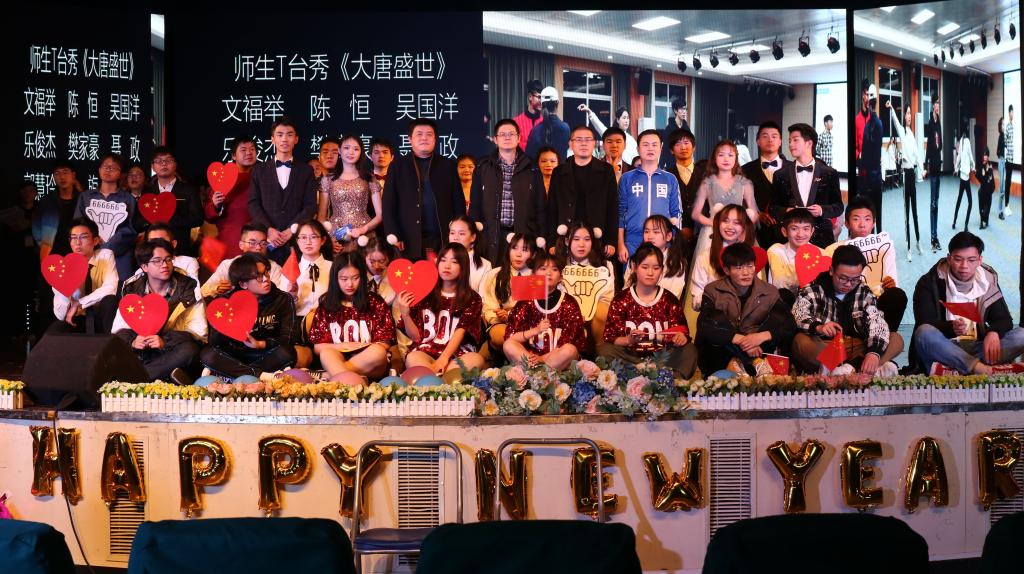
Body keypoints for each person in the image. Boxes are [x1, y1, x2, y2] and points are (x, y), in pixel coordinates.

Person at [911, 231, 1024, 374]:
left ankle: (958, 370)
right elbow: (924, 322)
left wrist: (993, 332)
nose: (964, 266)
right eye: (958, 259)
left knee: (1021, 335)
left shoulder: (987, 280)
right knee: (924, 333)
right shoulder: (929, 282)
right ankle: (981, 369)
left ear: (979, 260)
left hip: (979, 349)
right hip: (944, 350)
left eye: (971, 260)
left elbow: (1004, 319)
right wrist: (951, 327)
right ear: (949, 258)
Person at [791, 245, 902, 376]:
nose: (848, 284)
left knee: (896, 339)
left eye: (855, 279)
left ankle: (860, 367)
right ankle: (862, 369)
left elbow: (876, 322)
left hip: (858, 347)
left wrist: (873, 353)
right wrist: (819, 327)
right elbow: (799, 314)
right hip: (827, 347)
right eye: (843, 278)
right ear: (831, 271)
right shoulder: (814, 289)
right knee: (800, 341)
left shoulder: (864, 292)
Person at [112, 239, 206, 384]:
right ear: (144, 267)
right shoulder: (132, 289)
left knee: (190, 350)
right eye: (157, 261)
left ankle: (136, 379)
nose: (165, 265)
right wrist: (133, 341)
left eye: (168, 259)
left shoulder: (188, 288)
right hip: (141, 349)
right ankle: (150, 376)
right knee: (114, 346)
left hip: (170, 350)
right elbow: (118, 329)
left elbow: (199, 333)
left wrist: (165, 342)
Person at [697, 243, 795, 377]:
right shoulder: (713, 290)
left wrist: (759, 337)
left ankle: (745, 363)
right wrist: (742, 341)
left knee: (779, 319)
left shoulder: (769, 291)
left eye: (750, 266)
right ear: (726, 270)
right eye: (739, 267)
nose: (746, 273)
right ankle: (747, 362)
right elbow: (705, 324)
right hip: (723, 351)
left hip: (760, 349)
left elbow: (788, 323)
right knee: (713, 321)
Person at [600, 243, 697, 379]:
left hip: (662, 359)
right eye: (645, 267)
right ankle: (636, 375)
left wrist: (680, 338)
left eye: (656, 268)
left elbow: (682, 333)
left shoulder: (670, 300)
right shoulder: (620, 300)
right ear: (635, 267)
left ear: (662, 270)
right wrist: (628, 340)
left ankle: (670, 380)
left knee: (689, 350)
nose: (650, 273)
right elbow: (612, 338)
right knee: (604, 350)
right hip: (632, 359)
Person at [199, 253, 296, 379]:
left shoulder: (283, 299)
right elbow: (215, 343)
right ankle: (260, 376)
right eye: (258, 277)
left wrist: (260, 344)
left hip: (265, 354)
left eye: (266, 273)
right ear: (243, 284)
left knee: (288, 352)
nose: (266, 279)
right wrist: (230, 322)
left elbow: (287, 338)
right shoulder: (227, 302)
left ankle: (234, 376)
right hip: (234, 356)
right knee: (208, 355)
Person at [382, 118, 465, 261]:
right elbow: (389, 204)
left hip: (443, 237)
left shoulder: (448, 165)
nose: (424, 138)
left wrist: (459, 232)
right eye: (419, 134)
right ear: (410, 139)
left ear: (435, 139)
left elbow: (458, 201)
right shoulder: (397, 166)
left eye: (429, 134)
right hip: (408, 238)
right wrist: (393, 233)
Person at [397, 243, 485, 375]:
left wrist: (443, 359)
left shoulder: (472, 298)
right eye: (443, 260)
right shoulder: (424, 292)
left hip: (458, 354)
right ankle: (436, 380)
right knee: (413, 358)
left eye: (454, 262)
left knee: (476, 359)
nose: (447, 266)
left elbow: (460, 332)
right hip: (426, 350)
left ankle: (443, 379)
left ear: (463, 267)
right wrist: (405, 314)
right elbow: (416, 337)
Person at [308, 252, 395, 382]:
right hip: (337, 359)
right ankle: (354, 380)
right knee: (326, 353)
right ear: (335, 279)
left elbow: (385, 343)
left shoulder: (375, 302)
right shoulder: (326, 305)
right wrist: (346, 345)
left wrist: (359, 347)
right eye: (344, 279)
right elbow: (318, 347)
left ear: (362, 277)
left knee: (378, 352)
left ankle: (329, 376)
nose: (350, 284)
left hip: (369, 363)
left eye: (355, 278)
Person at [825, 197, 907, 333]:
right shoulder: (833, 249)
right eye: (856, 219)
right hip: (848, 304)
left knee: (897, 295)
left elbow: (891, 279)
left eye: (867, 219)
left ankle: (884, 337)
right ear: (847, 223)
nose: (862, 224)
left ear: (874, 223)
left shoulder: (884, 246)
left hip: (877, 301)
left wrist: (890, 285)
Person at [470, 118, 545, 262]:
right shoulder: (483, 167)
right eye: (502, 134)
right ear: (495, 139)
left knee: (521, 274)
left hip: (523, 235)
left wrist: (540, 237)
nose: (507, 137)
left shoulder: (532, 168)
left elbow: (540, 206)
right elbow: (475, 206)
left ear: (519, 138)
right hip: (491, 235)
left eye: (511, 134)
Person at [247, 117, 318, 265]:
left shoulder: (306, 171)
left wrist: (292, 229)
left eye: (289, 134)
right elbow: (253, 203)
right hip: (267, 242)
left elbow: (310, 206)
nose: (284, 139)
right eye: (279, 135)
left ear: (296, 139)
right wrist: (269, 229)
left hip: (296, 241)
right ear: (272, 139)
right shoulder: (259, 170)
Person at [503, 252, 585, 370]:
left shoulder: (569, 303)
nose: (548, 273)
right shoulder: (525, 302)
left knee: (570, 350)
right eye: (543, 269)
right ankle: (537, 372)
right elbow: (512, 337)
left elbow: (571, 342)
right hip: (530, 358)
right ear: (533, 274)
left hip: (556, 360)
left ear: (561, 277)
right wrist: (536, 330)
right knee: (508, 345)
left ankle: (537, 372)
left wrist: (541, 359)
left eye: (554, 269)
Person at [546, 125, 619, 257]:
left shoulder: (606, 171)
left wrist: (611, 241)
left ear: (594, 143)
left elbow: (612, 208)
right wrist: (551, 242)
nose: (583, 143)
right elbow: (552, 209)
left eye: (588, 140)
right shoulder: (559, 172)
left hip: (597, 237)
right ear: (570, 144)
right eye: (579, 140)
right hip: (566, 237)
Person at [770, 123, 844, 249]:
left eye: (795, 140)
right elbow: (773, 208)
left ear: (809, 143)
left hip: (821, 239)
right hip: (790, 239)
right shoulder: (780, 174)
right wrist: (786, 211)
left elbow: (838, 207)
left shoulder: (829, 173)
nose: (790, 144)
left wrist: (821, 210)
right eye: (789, 141)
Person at [692, 140, 758, 271]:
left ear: (736, 159)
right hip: (713, 231)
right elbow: (695, 213)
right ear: (714, 158)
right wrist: (715, 223)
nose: (726, 159)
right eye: (721, 155)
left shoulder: (744, 183)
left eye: (730, 155)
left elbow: (754, 212)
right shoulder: (707, 183)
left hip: (739, 231)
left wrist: (744, 226)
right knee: (711, 267)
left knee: (741, 266)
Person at [73, 153, 138, 282]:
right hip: (89, 252)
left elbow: (129, 229)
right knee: (89, 285)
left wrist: (108, 246)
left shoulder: (128, 199)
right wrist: (93, 240)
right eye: (105, 166)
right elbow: (78, 223)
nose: (108, 170)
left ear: (121, 173)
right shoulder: (86, 196)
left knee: (118, 288)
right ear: (99, 170)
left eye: (113, 167)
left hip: (119, 256)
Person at [618, 129, 681, 261]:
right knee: (633, 274)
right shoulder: (627, 178)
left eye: (654, 144)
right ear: (638, 149)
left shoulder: (670, 179)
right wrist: (620, 244)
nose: (650, 148)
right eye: (645, 144)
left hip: (663, 243)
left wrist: (673, 243)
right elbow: (620, 213)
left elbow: (676, 213)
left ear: (661, 148)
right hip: (632, 243)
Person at [47, 218, 118, 334]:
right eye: (73, 238)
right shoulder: (62, 267)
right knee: (54, 331)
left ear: (95, 241)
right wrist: (65, 289)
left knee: (110, 300)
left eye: (83, 237)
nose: (77, 243)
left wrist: (79, 303)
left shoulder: (105, 256)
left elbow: (111, 289)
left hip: (101, 316)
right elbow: (60, 315)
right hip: (76, 318)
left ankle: (110, 344)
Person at [317, 135, 382, 252]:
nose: (351, 152)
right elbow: (321, 217)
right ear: (339, 150)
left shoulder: (369, 178)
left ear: (361, 152)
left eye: (356, 149)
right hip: (336, 238)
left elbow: (380, 215)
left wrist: (363, 229)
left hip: (364, 237)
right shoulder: (328, 179)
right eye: (346, 148)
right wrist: (330, 237)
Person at [480, 233, 537, 361]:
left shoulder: (537, 277)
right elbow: (489, 308)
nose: (518, 254)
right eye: (514, 248)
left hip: (532, 328)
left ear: (533, 254)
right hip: (502, 325)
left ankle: (530, 364)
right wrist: (501, 316)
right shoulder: (495, 274)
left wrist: (511, 315)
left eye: (525, 250)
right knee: (503, 335)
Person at [689, 204, 756, 311]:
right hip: (714, 316)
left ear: (744, 228)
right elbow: (696, 300)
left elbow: (757, 294)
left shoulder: (751, 255)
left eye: (736, 223)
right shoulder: (705, 256)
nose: (730, 226)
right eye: (726, 221)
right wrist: (719, 300)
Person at [139, 147, 204, 256]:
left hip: (180, 248)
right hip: (151, 251)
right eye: (159, 161)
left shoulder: (188, 189)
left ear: (175, 165)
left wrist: (170, 218)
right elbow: (139, 221)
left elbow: (198, 219)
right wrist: (149, 219)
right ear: (153, 166)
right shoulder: (147, 191)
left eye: (168, 160)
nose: (164, 164)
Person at [557, 222, 615, 343]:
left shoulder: (605, 266)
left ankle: (601, 350)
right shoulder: (558, 265)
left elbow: (607, 299)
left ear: (592, 242)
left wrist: (589, 310)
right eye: (576, 239)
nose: (581, 244)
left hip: (595, 320)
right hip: (564, 317)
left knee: (602, 310)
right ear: (567, 241)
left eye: (587, 239)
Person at [201, 223, 285, 299]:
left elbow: (280, 296)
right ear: (241, 245)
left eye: (263, 243)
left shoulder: (274, 267)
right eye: (252, 243)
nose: (258, 247)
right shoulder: (227, 265)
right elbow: (202, 292)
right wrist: (216, 289)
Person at [205, 136, 257, 259]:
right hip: (230, 240)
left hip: (257, 239)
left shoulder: (263, 177)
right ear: (233, 155)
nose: (248, 153)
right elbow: (208, 214)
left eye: (252, 149)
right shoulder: (223, 178)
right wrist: (215, 206)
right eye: (243, 150)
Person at [742, 121, 789, 247]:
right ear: (757, 141)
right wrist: (757, 215)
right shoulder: (745, 170)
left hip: (788, 233)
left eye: (774, 136)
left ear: (780, 141)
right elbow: (740, 200)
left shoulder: (792, 168)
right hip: (756, 233)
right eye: (765, 136)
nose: (770, 140)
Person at [885, 100, 923, 258]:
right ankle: (908, 249)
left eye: (910, 114)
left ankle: (918, 242)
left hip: (912, 175)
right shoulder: (902, 131)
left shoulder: (912, 134)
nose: (909, 116)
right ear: (904, 116)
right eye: (907, 113)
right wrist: (891, 108)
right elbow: (894, 120)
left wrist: (922, 168)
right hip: (905, 176)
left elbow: (917, 154)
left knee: (915, 211)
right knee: (907, 213)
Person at [622, 215, 688, 299]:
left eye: (656, 232)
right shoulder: (635, 259)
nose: (650, 236)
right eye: (646, 232)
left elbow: (674, 294)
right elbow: (627, 289)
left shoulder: (676, 262)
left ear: (668, 236)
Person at [665, 128, 702, 260]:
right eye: (678, 144)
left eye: (686, 143)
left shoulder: (705, 174)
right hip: (674, 237)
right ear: (671, 150)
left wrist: (696, 230)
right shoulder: (666, 175)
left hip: (702, 235)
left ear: (694, 147)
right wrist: (679, 229)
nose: (683, 147)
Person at [767, 208, 815, 305]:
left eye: (806, 229)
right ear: (784, 231)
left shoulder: (820, 253)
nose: (800, 234)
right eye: (794, 229)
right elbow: (778, 284)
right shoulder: (776, 251)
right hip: (782, 304)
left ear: (812, 231)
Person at [33, 160, 80, 261]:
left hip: (79, 253)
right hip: (52, 254)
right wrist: (43, 245)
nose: (62, 177)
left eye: (65, 172)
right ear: (53, 177)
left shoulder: (82, 199)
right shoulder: (46, 201)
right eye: (57, 173)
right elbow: (36, 226)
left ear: (73, 175)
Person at [857, 81, 884, 232]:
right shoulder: (876, 124)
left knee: (871, 215)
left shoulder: (871, 125)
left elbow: (869, 153)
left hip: (868, 178)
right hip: (872, 177)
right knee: (875, 215)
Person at [132, 223, 200, 282]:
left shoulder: (188, 263)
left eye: (161, 242)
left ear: (173, 244)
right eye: (152, 243)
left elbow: (194, 291)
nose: (156, 247)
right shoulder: (140, 272)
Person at [447, 215, 491, 291]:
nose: (455, 238)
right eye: (452, 233)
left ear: (473, 237)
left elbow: (484, 296)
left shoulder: (485, 265)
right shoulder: (440, 262)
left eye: (461, 234)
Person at [524, 87, 570, 161]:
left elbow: (528, 157)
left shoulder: (535, 130)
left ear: (542, 105)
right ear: (557, 102)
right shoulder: (565, 128)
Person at [924, 95, 944, 251]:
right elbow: (929, 146)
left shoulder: (939, 123)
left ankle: (935, 235)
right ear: (932, 106)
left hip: (939, 168)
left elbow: (940, 144)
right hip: (932, 168)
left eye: (938, 103)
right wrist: (926, 164)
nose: (937, 105)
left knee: (937, 203)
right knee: (932, 204)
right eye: (936, 103)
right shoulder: (930, 123)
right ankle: (933, 237)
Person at [952, 122, 976, 232]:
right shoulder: (967, 141)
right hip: (966, 177)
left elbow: (959, 157)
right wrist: (973, 166)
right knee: (970, 202)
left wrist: (956, 169)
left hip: (962, 176)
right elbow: (970, 156)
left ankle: (954, 222)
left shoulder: (961, 141)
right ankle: (966, 224)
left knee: (959, 200)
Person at [514, 79, 545, 153]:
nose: (542, 101)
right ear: (530, 96)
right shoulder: (516, 122)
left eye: (543, 98)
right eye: (539, 97)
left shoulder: (545, 122)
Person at [661, 98, 690, 168]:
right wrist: (660, 167)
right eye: (681, 109)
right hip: (672, 166)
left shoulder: (686, 129)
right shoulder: (669, 129)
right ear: (675, 111)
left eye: (685, 109)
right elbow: (665, 149)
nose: (684, 112)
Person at [1000, 105, 1015, 219]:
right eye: (1012, 112)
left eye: (1013, 112)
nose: (1013, 114)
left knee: (1009, 183)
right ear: (1009, 113)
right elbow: (1005, 142)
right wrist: (1006, 157)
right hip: (1008, 159)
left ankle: (1007, 205)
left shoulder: (1012, 126)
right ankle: (1005, 206)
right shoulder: (1008, 127)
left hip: (1012, 158)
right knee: (1007, 183)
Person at [978, 148, 997, 229]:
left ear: (988, 156)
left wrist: (987, 171)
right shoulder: (981, 165)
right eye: (984, 155)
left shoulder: (990, 166)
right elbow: (980, 177)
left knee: (987, 208)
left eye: (986, 155)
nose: (985, 157)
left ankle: (985, 220)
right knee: (981, 208)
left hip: (988, 190)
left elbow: (990, 178)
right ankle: (982, 222)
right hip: (982, 190)